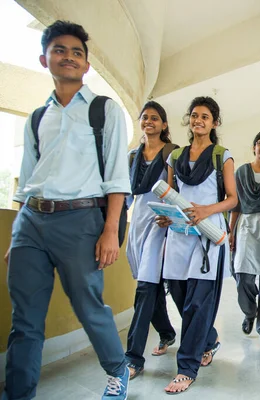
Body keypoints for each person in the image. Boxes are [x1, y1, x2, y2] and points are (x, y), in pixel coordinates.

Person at [3, 21, 130, 400]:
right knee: (24, 319)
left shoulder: (103, 111)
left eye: (77, 52)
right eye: (60, 49)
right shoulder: (37, 118)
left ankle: (117, 369)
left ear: (87, 65)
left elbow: (117, 178)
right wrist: (17, 235)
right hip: (31, 222)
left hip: (80, 220)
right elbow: (26, 180)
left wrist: (110, 230)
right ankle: (18, 393)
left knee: (88, 306)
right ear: (45, 59)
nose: (69, 57)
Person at [157, 96, 237, 394]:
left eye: (205, 116)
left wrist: (206, 210)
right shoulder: (175, 157)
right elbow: (169, 193)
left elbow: (233, 198)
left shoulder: (222, 155)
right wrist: (167, 216)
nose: (198, 120)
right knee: (179, 295)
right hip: (179, 234)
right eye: (194, 115)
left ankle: (186, 368)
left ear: (214, 122)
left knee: (198, 302)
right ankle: (209, 339)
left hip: (209, 234)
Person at [124, 101, 179, 379]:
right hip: (137, 223)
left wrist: (174, 220)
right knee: (150, 287)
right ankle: (169, 333)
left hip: (160, 223)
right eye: (144, 117)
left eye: (155, 118)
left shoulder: (172, 153)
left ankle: (133, 358)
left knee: (146, 287)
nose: (149, 121)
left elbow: (176, 190)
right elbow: (123, 194)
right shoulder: (133, 156)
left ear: (164, 124)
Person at [230, 130, 260, 347]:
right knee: (244, 279)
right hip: (247, 226)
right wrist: (231, 232)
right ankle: (249, 312)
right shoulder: (241, 172)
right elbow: (236, 205)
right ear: (254, 147)